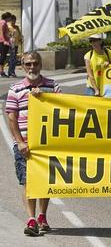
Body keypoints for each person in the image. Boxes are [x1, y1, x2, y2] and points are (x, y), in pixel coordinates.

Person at [5, 51, 61, 236]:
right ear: (22, 65)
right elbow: (12, 118)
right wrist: (20, 142)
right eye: (28, 64)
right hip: (25, 144)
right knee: (28, 181)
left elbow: (63, 110)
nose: (32, 67)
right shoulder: (15, 89)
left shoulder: (53, 87)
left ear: (40, 65)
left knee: (45, 181)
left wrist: (44, 97)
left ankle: (42, 216)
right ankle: (31, 219)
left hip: (48, 145)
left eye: (35, 63)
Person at [7, 13, 22, 77]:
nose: (14, 22)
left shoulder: (17, 27)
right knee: (12, 58)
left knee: (14, 58)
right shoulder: (8, 27)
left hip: (16, 44)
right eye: (12, 20)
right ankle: (10, 72)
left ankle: (12, 71)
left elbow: (19, 35)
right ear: (10, 20)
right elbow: (7, 35)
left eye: (15, 20)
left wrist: (20, 39)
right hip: (10, 44)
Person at [0, 12, 11, 77]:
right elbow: (1, 31)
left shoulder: (2, 22)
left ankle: (1, 70)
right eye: (10, 17)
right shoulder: (3, 22)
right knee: (3, 56)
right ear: (8, 17)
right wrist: (4, 41)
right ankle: (1, 71)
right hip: (2, 41)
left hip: (3, 41)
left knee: (3, 56)